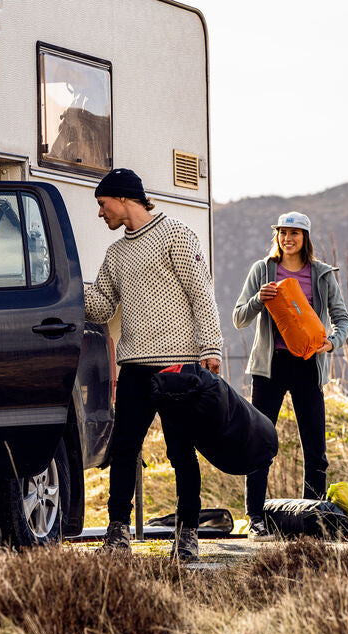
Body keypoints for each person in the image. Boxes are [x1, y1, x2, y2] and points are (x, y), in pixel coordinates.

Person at [85, 168, 223, 561]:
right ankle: (117, 535)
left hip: (178, 367)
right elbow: (100, 308)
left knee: (181, 451)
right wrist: (68, 283)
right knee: (123, 449)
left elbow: (201, 293)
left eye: (103, 204)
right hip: (134, 367)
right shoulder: (116, 254)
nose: (100, 213)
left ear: (123, 197)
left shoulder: (176, 235)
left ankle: (187, 534)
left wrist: (211, 346)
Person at [233, 211, 348, 541]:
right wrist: (259, 299)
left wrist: (332, 342)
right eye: (283, 232)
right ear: (278, 236)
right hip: (269, 367)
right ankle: (256, 519)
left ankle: (313, 521)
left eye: (295, 233)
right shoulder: (262, 270)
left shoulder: (322, 274)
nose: (288, 238)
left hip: (308, 366)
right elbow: (239, 317)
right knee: (259, 443)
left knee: (315, 450)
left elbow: (343, 319)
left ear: (305, 238)